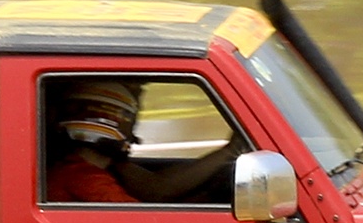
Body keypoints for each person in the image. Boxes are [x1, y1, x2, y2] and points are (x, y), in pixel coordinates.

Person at [45, 79, 244, 204]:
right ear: (108, 120)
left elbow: (156, 189)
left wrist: (206, 197)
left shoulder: (92, 166)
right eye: (128, 124)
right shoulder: (86, 179)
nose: (132, 135)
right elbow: (141, 222)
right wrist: (230, 151)